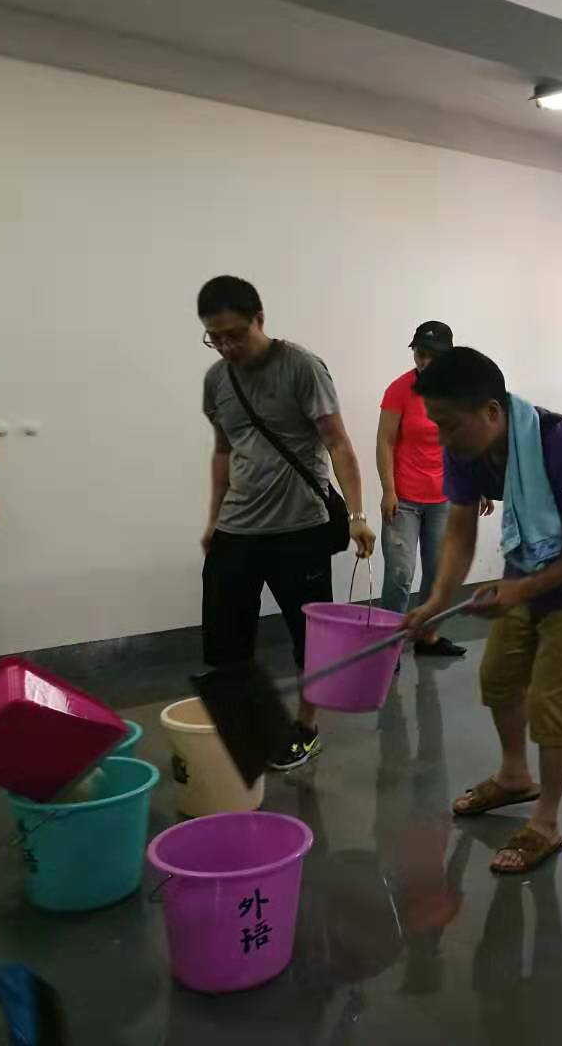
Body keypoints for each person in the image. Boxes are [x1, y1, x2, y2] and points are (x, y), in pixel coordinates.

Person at [404, 347, 562, 873]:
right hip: (526, 567)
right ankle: (513, 777)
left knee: (553, 704)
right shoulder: (466, 446)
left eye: (449, 425)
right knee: (499, 677)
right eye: (436, 424)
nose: (442, 438)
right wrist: (436, 601)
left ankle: (545, 823)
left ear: (491, 412)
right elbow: (460, 528)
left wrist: (521, 591)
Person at [198, 275, 377, 770]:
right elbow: (223, 451)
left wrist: (357, 515)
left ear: (259, 319)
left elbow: (337, 442)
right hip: (237, 529)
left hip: (300, 530)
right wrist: (213, 519)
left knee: (309, 639)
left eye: (236, 334)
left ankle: (305, 728)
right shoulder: (217, 380)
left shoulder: (301, 366)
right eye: (215, 338)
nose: (227, 346)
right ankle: (249, 731)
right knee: (225, 641)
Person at [376, 321, 482, 658]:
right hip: (404, 499)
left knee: (438, 574)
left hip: (444, 497)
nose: (423, 361)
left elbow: (465, 439)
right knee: (399, 574)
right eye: (419, 353)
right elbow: (385, 440)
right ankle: (388, 647)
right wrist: (388, 490)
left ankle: (427, 638)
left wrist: (476, 484)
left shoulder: (457, 392)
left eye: (431, 355)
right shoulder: (399, 389)